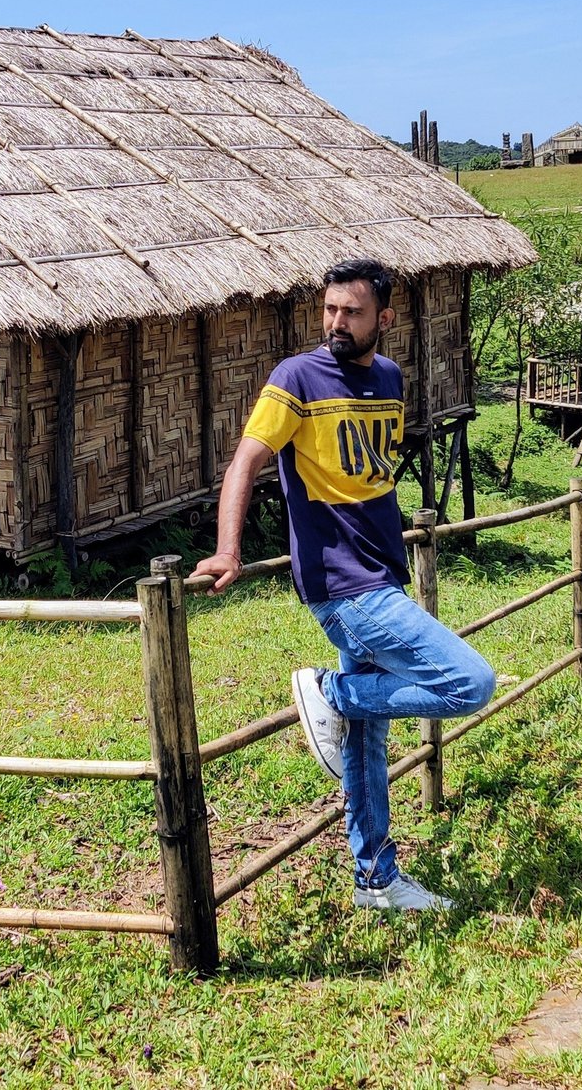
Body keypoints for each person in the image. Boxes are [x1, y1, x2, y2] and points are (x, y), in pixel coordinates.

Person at [194, 258, 496, 912]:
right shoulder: (296, 378)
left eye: (351, 312)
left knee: (367, 732)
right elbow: (247, 459)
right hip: (346, 587)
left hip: (382, 572)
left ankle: (375, 878)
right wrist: (228, 547)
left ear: (383, 319)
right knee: (470, 682)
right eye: (329, 309)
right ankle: (328, 690)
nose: (336, 321)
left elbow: (373, 475)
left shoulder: (389, 377)